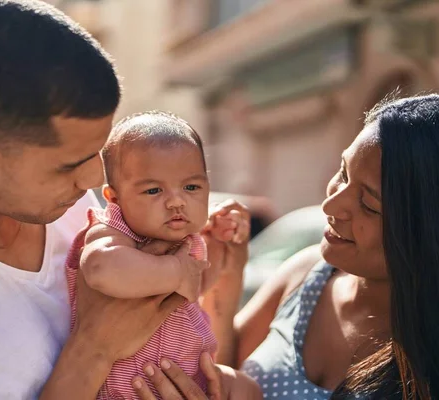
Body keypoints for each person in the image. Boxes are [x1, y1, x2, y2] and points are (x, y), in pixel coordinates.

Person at [0, 1, 257, 399]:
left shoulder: (62, 203)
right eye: (68, 164)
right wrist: (93, 349)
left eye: (97, 152)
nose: (94, 178)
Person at [166, 94, 439, 400]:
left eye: (369, 205)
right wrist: (227, 279)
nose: (331, 204)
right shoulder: (307, 274)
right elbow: (220, 373)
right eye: (344, 173)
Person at [65, 111, 257, 399]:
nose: (176, 201)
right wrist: (175, 270)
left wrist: (217, 243)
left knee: (247, 389)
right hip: (126, 388)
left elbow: (196, 286)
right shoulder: (113, 230)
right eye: (153, 190)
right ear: (114, 198)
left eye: (191, 187)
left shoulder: (186, 238)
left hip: (189, 376)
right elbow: (100, 269)